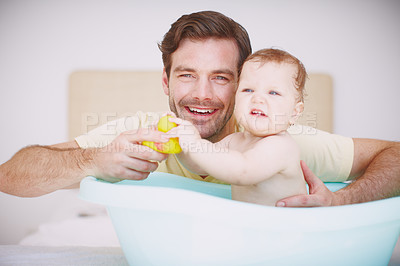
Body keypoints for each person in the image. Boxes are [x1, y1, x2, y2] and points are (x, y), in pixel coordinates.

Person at [0, 11, 399, 207]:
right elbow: (11, 175)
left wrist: (341, 201)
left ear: (243, 85)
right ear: (165, 81)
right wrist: (92, 160)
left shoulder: (278, 142)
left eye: (222, 78)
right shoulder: (140, 133)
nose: (202, 94)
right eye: (187, 74)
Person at [168, 48, 308, 206]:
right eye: (248, 90)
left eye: (273, 93)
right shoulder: (234, 141)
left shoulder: (280, 146)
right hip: (250, 225)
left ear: (295, 112)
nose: (257, 99)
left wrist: (195, 144)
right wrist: (178, 140)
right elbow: (199, 164)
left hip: (284, 228)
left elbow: (243, 171)